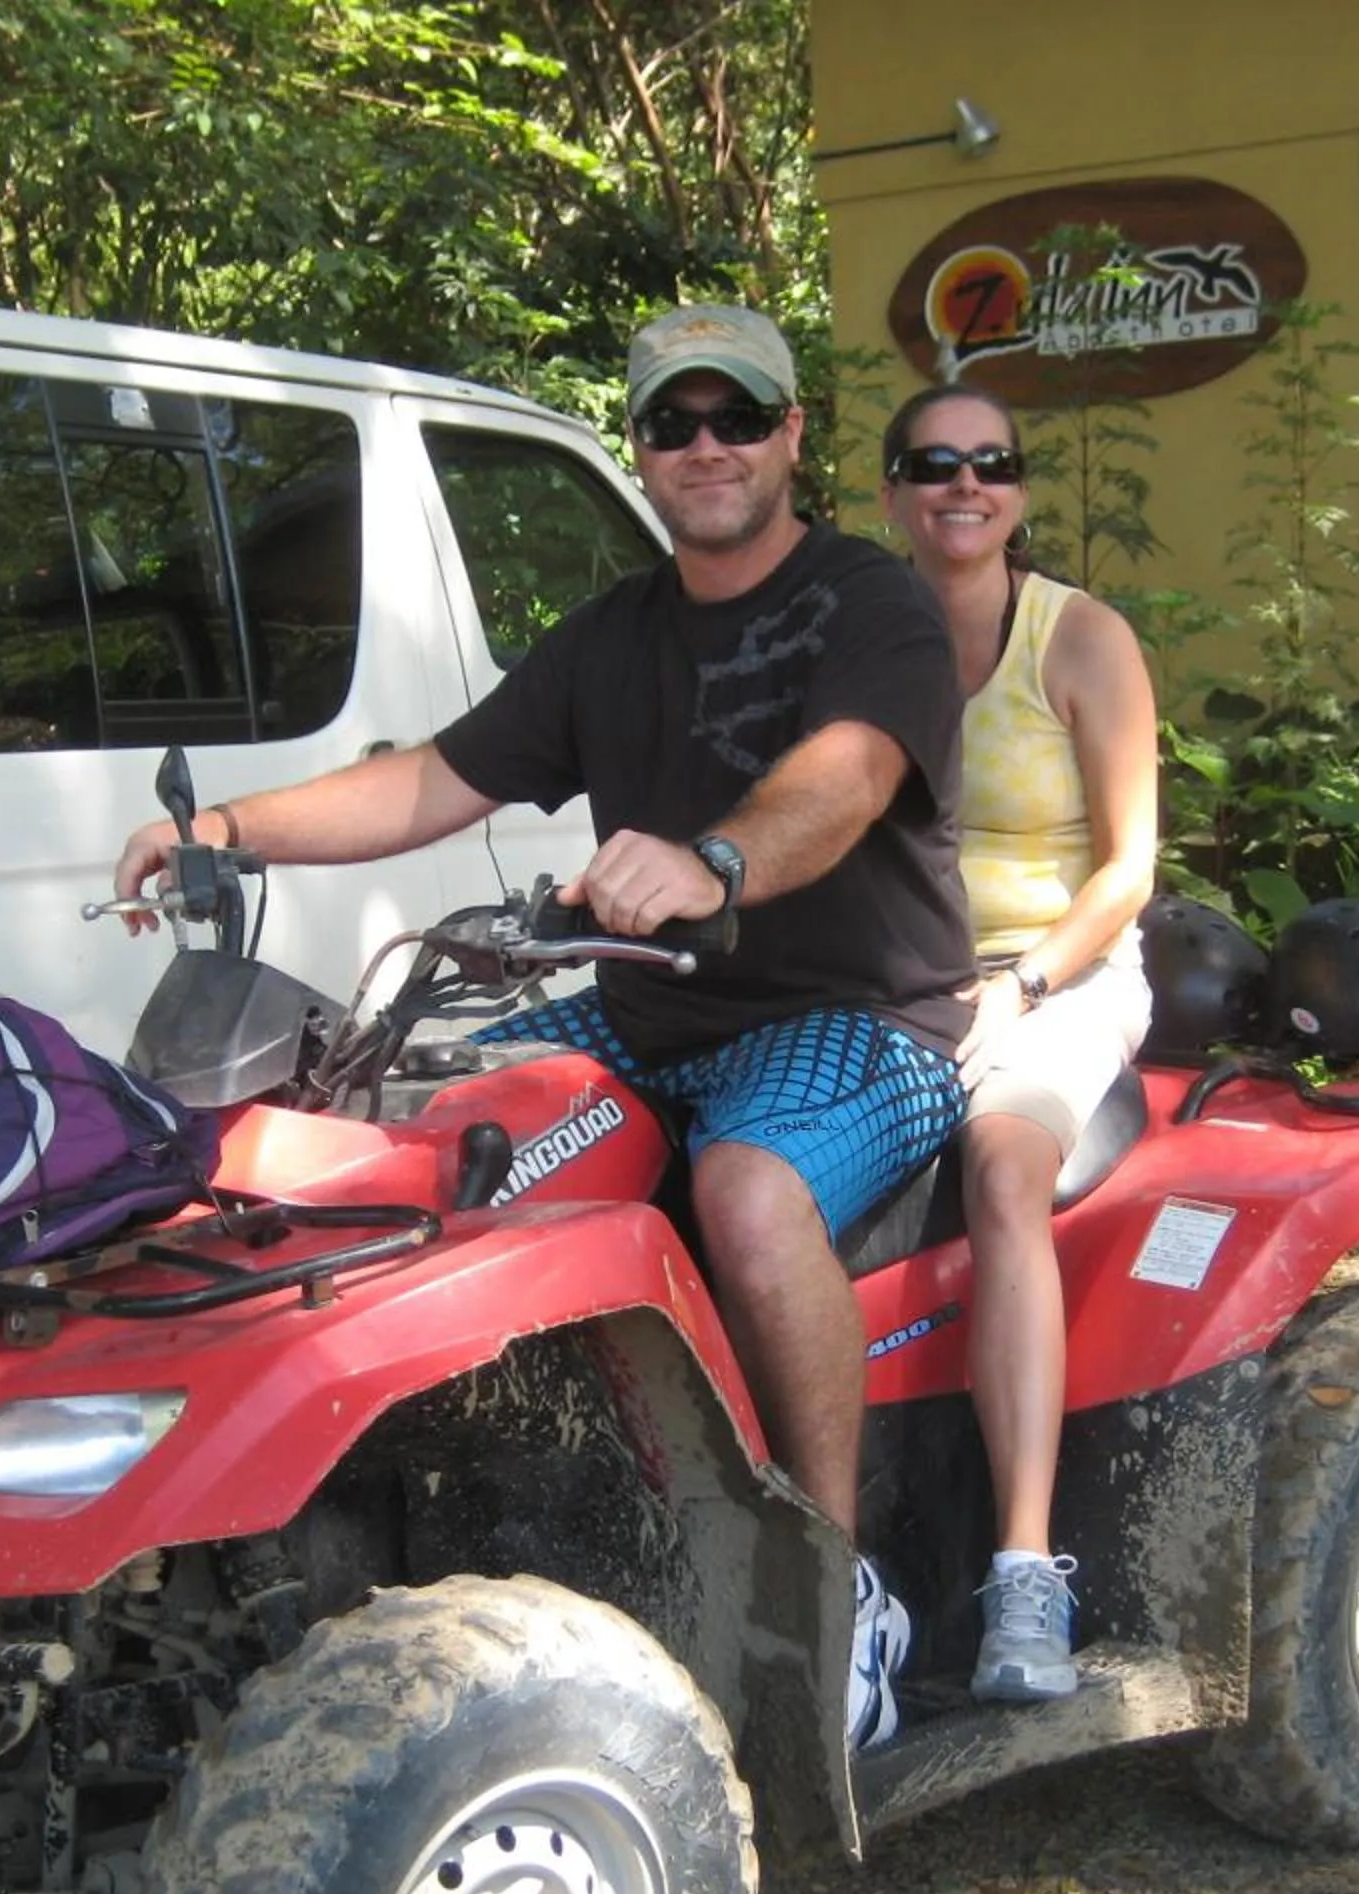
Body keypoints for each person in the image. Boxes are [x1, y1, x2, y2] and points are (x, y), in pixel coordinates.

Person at [113, 307, 974, 1750]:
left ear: (791, 435)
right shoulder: (610, 637)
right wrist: (223, 827)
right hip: (650, 1012)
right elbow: (429, 783)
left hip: (864, 1017)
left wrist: (715, 860)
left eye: (737, 417)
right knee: (421, 1148)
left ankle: (835, 1585)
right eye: (672, 423)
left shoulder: (868, 602)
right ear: (637, 447)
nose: (705, 447)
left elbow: (847, 773)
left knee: (749, 1197)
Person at [877, 382, 1160, 1702]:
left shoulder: (1080, 638)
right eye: (935, 464)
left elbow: (1131, 869)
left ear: (1021, 491)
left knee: (998, 1167)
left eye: (992, 463)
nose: (964, 485)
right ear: (892, 492)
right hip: (900, 976)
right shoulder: (866, 635)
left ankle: (1027, 1572)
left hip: (1066, 969)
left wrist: (1026, 984)